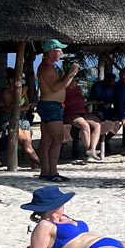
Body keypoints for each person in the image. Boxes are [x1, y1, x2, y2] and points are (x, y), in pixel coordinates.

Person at [36, 40, 79, 183]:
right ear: (51, 51)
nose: (61, 53)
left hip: (51, 104)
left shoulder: (50, 67)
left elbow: (62, 86)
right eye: (59, 50)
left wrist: (71, 75)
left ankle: (46, 171)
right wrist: (70, 73)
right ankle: (52, 172)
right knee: (57, 139)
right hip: (50, 105)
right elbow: (56, 88)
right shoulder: (47, 68)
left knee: (47, 139)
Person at [0, 68, 40, 169]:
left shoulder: (23, 90)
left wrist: (19, 107)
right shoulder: (6, 92)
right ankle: (41, 163)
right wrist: (20, 94)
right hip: (10, 118)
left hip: (22, 117)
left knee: (28, 142)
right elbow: (10, 108)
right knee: (24, 142)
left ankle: (34, 164)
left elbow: (27, 105)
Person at [63, 79, 102, 161]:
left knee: (97, 124)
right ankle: (88, 149)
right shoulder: (64, 88)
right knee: (84, 125)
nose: (77, 82)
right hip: (70, 113)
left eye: (78, 80)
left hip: (82, 112)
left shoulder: (78, 89)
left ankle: (92, 149)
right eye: (76, 80)